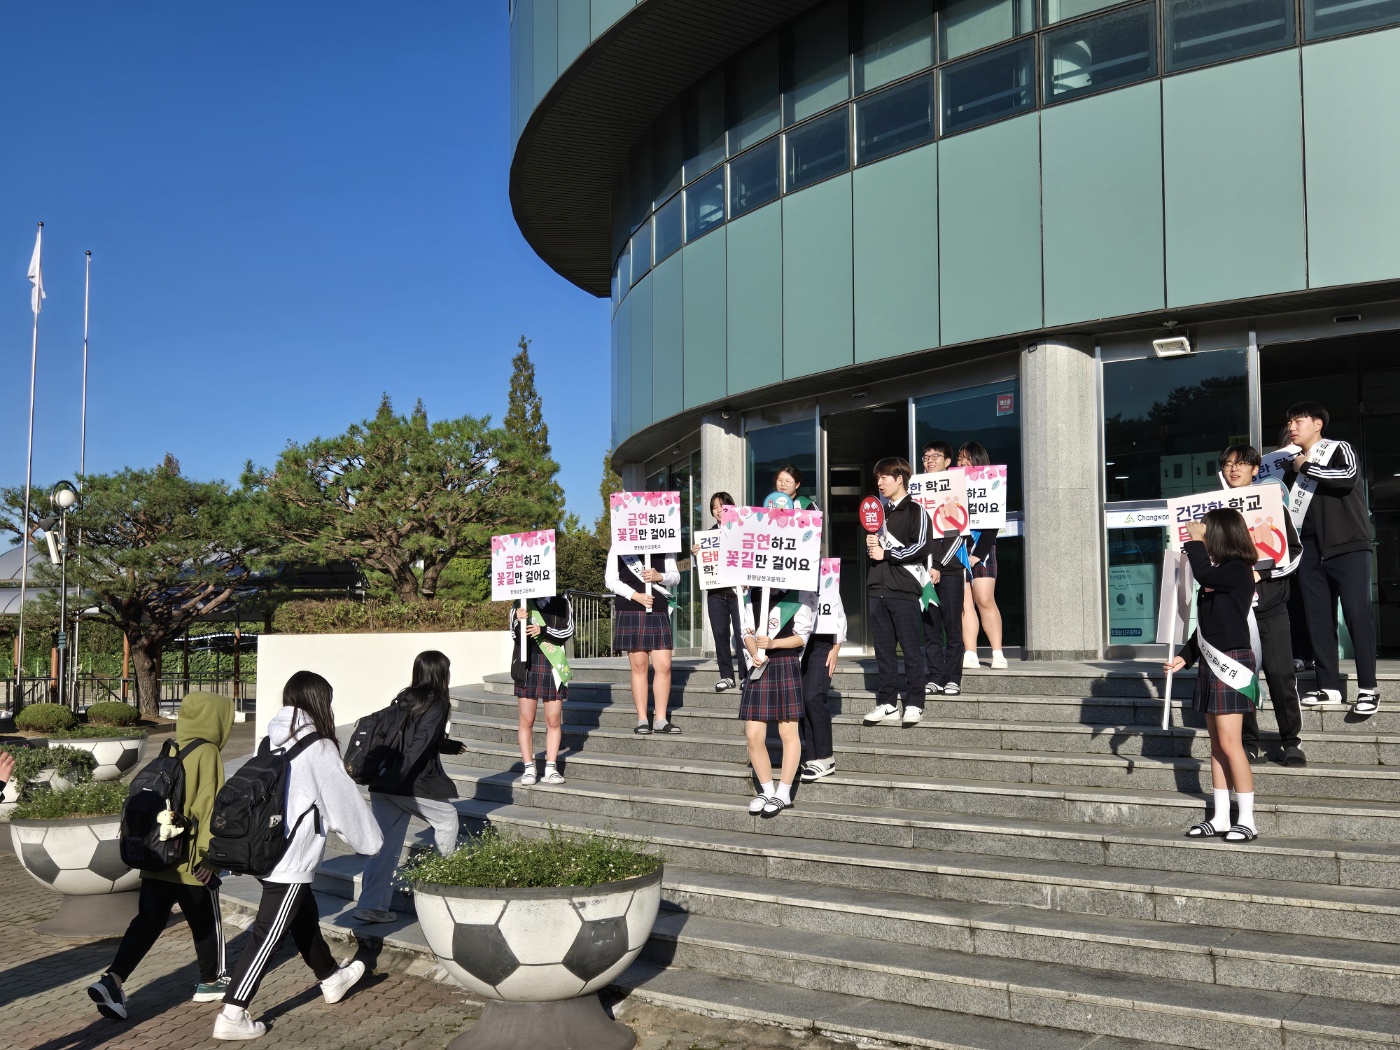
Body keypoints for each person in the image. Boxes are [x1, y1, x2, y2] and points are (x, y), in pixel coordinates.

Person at [215, 672, 383, 1040]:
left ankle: (331, 978)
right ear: (320, 702)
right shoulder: (318, 748)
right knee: (268, 934)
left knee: (303, 918)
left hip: (265, 848)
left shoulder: (270, 740)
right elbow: (344, 805)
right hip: (290, 858)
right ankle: (232, 1014)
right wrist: (372, 843)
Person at [88, 693, 235, 1020]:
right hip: (189, 862)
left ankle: (112, 980)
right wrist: (209, 859)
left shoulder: (171, 747)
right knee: (207, 923)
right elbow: (210, 809)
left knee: (147, 922)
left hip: (157, 855)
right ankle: (211, 981)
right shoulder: (207, 752)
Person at [1163, 510, 1261, 843]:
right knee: (1217, 745)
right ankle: (1220, 817)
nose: (1202, 534)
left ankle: (1246, 819)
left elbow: (1203, 571)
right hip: (1209, 660)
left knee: (1232, 744)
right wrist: (1184, 657)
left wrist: (1194, 541)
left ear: (1221, 534)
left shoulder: (1238, 570)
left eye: (1207, 530)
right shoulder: (1218, 574)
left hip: (1231, 661)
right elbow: (1205, 627)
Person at [354, 651, 465, 925]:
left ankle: (371, 906)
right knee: (447, 818)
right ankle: (445, 886)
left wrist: (447, 746)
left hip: (381, 781)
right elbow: (419, 743)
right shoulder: (437, 703)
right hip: (406, 782)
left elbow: (414, 736)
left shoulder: (404, 697)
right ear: (441, 673)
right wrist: (398, 778)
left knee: (385, 847)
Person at [1282, 402, 1380, 714]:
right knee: (1319, 619)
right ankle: (1328, 687)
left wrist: (1305, 467)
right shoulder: (1290, 465)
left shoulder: (1339, 449)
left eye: (1298, 421)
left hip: (1348, 547)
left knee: (1356, 616)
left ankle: (1368, 689)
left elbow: (1347, 477)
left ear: (1318, 424)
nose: (1292, 427)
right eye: (1290, 422)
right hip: (1309, 551)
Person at [1218, 445, 1306, 766]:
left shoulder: (1272, 503)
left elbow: (1293, 552)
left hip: (1271, 606)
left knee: (1281, 675)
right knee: (1242, 677)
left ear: (1256, 469)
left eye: (1241, 463)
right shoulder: (1216, 511)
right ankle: (1248, 743)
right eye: (1228, 464)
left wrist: (1262, 573)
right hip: (1234, 611)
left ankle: (1291, 741)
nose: (1233, 469)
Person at [860, 457, 931, 726]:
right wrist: (873, 545)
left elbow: (922, 547)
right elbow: (876, 551)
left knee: (911, 650)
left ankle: (914, 703)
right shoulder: (878, 512)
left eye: (884, 477)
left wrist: (886, 553)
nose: (879, 482)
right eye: (877, 478)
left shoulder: (916, 511)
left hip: (903, 589)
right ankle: (887, 702)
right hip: (876, 588)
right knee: (883, 651)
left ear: (899, 478)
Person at [740, 586, 817, 816]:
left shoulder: (799, 592)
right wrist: (755, 653)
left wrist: (772, 644)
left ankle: (784, 792)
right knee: (753, 735)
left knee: (787, 732)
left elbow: (801, 637)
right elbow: (747, 631)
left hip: (786, 664)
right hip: (760, 665)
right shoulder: (752, 593)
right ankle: (766, 790)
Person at [606, 539, 682, 734]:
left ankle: (661, 719)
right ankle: (642, 719)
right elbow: (611, 580)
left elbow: (675, 577)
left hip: (658, 607)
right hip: (631, 606)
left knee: (664, 665)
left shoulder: (665, 543)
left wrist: (659, 576)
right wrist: (635, 595)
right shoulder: (620, 544)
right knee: (639, 666)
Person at [509, 594, 575, 784]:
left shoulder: (562, 602)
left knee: (553, 720)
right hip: (526, 665)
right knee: (526, 719)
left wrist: (543, 630)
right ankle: (529, 768)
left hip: (553, 665)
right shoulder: (519, 602)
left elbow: (568, 631)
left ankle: (551, 768)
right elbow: (514, 635)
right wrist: (519, 621)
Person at [956, 441, 1007, 671]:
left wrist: (977, 554)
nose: (963, 462)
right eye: (960, 458)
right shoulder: (952, 485)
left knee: (985, 599)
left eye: (968, 458)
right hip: (958, 549)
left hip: (983, 549)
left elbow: (992, 524)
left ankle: (997, 652)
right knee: (964, 603)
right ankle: (970, 652)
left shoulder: (990, 482)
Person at [694, 492, 746, 693]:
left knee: (743, 634)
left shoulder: (741, 531)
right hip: (716, 593)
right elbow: (701, 568)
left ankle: (746, 675)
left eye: (722, 506)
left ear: (731, 507)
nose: (718, 511)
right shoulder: (707, 536)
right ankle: (726, 676)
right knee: (720, 633)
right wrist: (697, 555)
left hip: (738, 592)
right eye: (714, 507)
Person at [800, 572, 847, 782]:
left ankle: (826, 758)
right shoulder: (788, 578)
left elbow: (838, 613)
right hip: (795, 642)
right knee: (802, 699)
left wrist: (836, 648)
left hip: (822, 642)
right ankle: (812, 756)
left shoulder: (825, 576)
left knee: (814, 696)